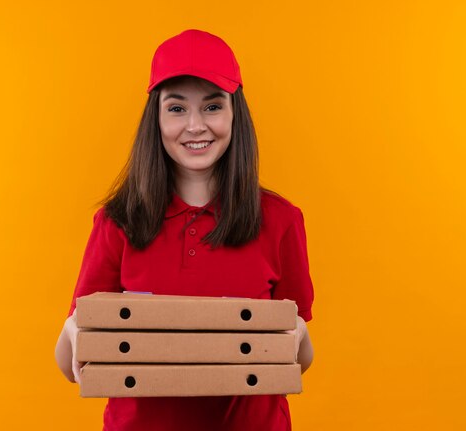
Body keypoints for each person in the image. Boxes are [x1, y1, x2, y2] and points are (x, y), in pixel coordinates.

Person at [55, 29, 315, 431]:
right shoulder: (117, 222)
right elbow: (73, 367)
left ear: (234, 114)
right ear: (156, 118)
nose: (195, 126)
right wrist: (74, 330)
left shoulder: (280, 220)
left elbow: (297, 359)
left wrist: (297, 335)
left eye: (213, 107)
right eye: (177, 109)